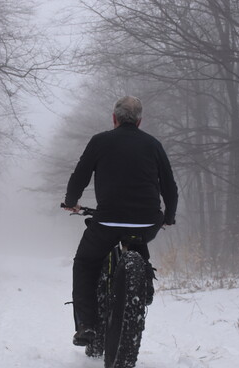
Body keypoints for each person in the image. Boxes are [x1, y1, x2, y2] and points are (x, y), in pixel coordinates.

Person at [63, 95, 178, 346]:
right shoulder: (153, 144)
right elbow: (169, 186)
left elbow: (80, 176)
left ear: (114, 118)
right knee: (138, 239)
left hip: (107, 222)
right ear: (139, 121)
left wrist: (71, 201)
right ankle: (143, 282)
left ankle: (86, 325)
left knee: (85, 263)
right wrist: (168, 217)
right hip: (148, 224)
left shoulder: (100, 141)